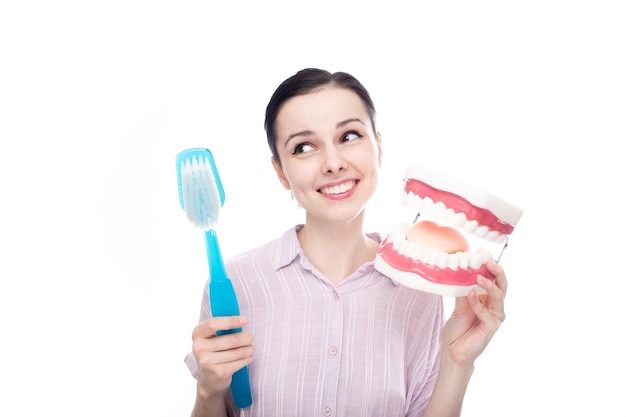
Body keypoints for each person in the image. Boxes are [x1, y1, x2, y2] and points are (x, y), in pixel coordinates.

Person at [184, 68, 508, 417]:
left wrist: (457, 362)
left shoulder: (419, 291)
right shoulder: (236, 284)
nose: (334, 163)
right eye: (303, 147)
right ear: (280, 172)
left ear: (378, 148)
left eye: (349, 136)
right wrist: (207, 392)